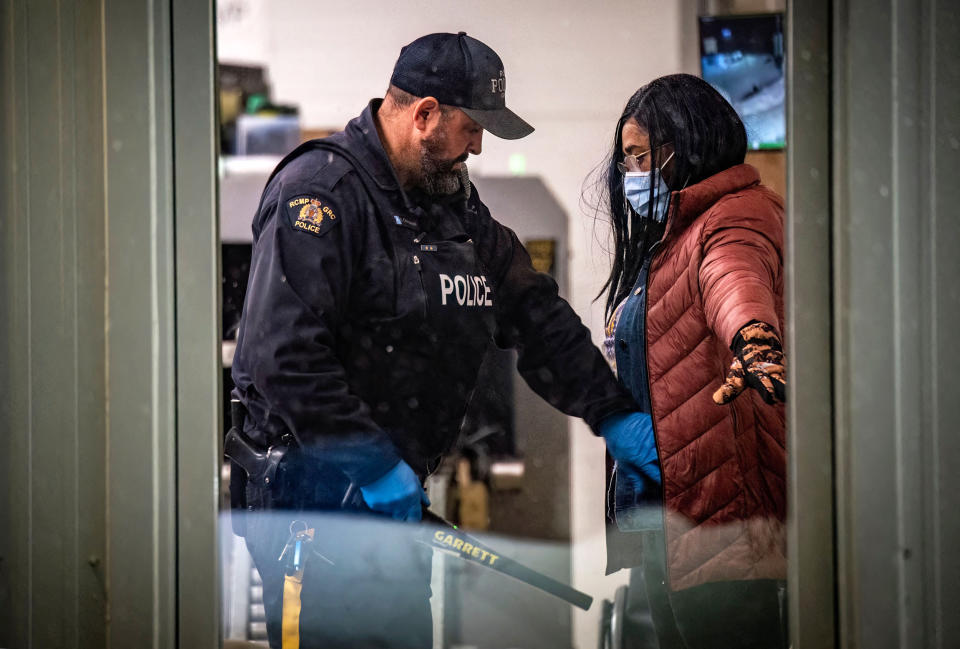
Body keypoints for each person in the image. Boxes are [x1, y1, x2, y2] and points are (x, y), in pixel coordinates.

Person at [228, 32, 654, 649]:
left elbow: (532, 312)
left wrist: (611, 411)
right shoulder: (322, 193)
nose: (478, 146)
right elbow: (283, 355)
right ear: (424, 114)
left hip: (389, 513)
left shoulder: (451, 207)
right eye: (471, 127)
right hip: (314, 518)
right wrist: (370, 463)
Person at [595, 73, 788, 649]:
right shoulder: (675, 237)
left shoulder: (733, 218)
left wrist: (752, 338)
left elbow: (735, 280)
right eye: (626, 160)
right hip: (676, 519)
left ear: (686, 147)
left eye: (639, 157)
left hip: (721, 528)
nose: (631, 174)